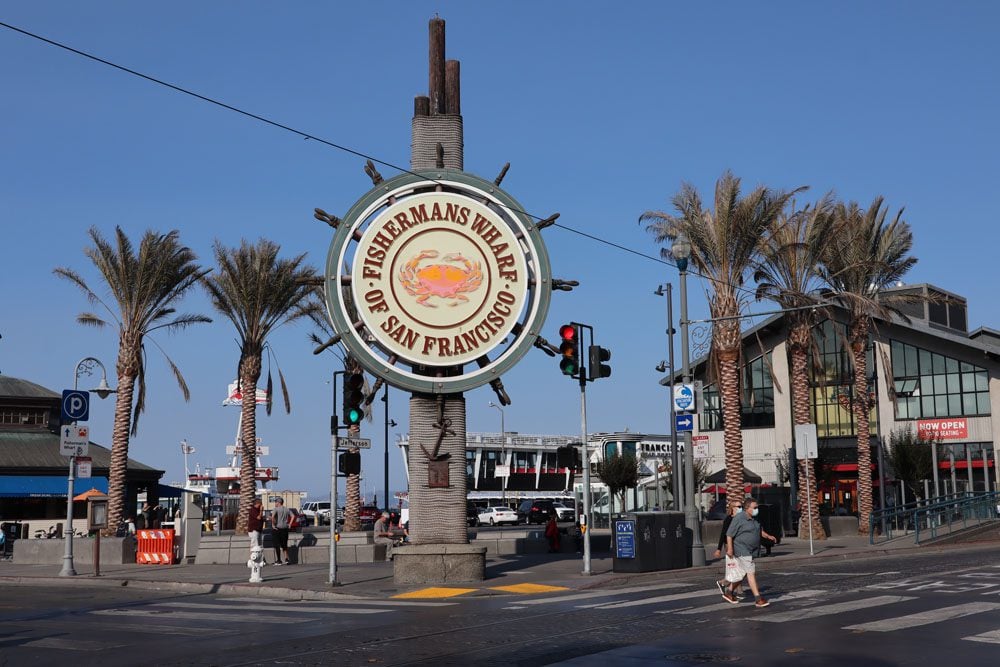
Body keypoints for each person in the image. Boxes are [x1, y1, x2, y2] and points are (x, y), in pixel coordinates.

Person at [721, 498, 777, 608]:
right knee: (751, 572)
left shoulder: (755, 518)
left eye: (757, 507)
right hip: (741, 549)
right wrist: (730, 549)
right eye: (755, 508)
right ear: (747, 508)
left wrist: (768, 536)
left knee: (742, 573)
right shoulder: (739, 518)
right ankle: (758, 599)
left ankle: (729, 592)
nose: (757, 509)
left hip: (751, 550)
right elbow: (729, 534)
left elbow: (759, 530)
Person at [714, 499, 745, 599]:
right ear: (733, 509)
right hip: (730, 545)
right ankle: (735, 589)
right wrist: (719, 549)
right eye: (739, 507)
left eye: (742, 506)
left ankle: (726, 584)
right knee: (737, 568)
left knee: (740, 568)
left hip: (739, 545)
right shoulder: (729, 519)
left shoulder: (742, 518)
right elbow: (723, 534)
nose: (741, 508)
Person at [270, 498, 292, 565]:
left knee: (277, 545)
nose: (275, 503)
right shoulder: (286, 509)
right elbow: (293, 516)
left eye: (276, 502)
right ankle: (286, 559)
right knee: (284, 545)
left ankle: (279, 560)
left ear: (278, 502)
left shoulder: (276, 509)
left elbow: (273, 517)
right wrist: (290, 524)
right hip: (285, 529)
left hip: (277, 529)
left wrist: (273, 525)